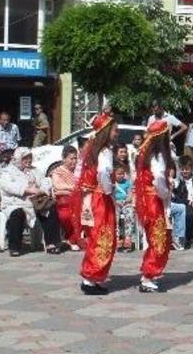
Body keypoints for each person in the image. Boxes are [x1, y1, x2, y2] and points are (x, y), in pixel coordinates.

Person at [78, 113, 119, 295]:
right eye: (114, 129)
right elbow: (104, 172)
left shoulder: (94, 148)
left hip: (93, 198)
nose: (117, 132)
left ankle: (93, 278)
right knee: (103, 238)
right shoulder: (104, 151)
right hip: (101, 199)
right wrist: (109, 191)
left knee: (96, 237)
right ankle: (90, 278)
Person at [134, 120, 174, 293]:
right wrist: (166, 192)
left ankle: (149, 272)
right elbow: (158, 178)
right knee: (158, 239)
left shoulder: (146, 154)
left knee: (154, 238)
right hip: (154, 201)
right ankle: (148, 275)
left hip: (146, 200)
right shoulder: (157, 156)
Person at [0, 147, 62, 256]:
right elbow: (7, 186)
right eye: (25, 158)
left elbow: (45, 181)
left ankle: (52, 243)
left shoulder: (34, 170)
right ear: (18, 159)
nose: (28, 161)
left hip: (35, 199)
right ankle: (14, 247)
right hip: (15, 202)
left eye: (30, 158)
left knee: (49, 207)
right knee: (17, 213)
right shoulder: (8, 171)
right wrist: (26, 189)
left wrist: (41, 190)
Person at [50, 146, 81, 250]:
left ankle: (71, 240)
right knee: (66, 216)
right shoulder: (58, 171)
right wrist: (71, 189)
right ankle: (71, 238)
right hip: (63, 202)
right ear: (64, 159)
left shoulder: (78, 171)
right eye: (71, 158)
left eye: (75, 158)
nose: (74, 161)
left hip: (79, 200)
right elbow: (57, 187)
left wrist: (70, 190)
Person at [172, 155, 193, 248]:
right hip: (184, 205)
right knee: (189, 214)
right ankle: (188, 237)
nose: (184, 171)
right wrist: (190, 202)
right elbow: (177, 197)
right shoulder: (178, 183)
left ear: (191, 169)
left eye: (187, 169)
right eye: (182, 169)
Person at [113, 162, 137, 251]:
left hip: (126, 203)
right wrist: (116, 201)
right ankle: (117, 237)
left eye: (122, 174)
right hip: (116, 203)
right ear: (114, 174)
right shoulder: (112, 184)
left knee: (130, 214)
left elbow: (130, 194)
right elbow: (111, 195)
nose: (121, 176)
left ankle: (128, 237)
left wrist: (127, 200)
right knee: (115, 215)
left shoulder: (127, 183)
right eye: (119, 174)